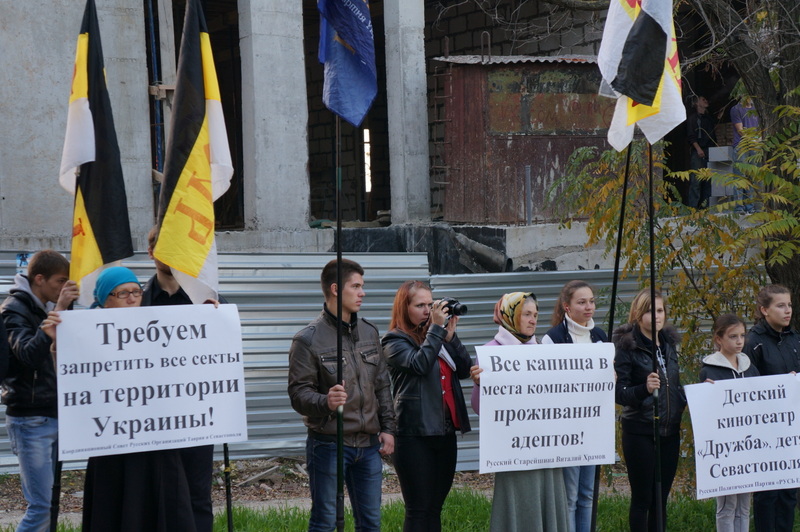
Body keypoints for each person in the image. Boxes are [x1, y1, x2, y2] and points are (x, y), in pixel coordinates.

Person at [42, 266, 198, 532]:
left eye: (136, 292)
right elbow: (73, 385)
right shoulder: (85, 333)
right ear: (105, 300)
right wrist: (59, 344)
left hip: (157, 446)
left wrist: (211, 317)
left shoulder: (159, 329)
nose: (132, 298)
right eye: (122, 293)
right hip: (112, 448)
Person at [287, 258, 396, 532]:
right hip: (328, 444)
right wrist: (325, 401)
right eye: (356, 286)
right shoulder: (307, 340)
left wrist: (388, 428)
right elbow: (298, 394)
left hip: (369, 445)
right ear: (336, 289)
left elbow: (382, 385)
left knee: (371, 524)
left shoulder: (370, 332)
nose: (363, 292)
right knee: (324, 522)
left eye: (363, 286)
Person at [470, 292, 568, 532]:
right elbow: (479, 408)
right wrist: (480, 385)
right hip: (513, 450)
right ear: (510, 315)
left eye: (535, 315)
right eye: (526, 314)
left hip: (546, 447)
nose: (533, 320)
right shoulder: (491, 352)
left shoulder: (544, 353)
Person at [381, 281, 471, 532]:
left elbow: (463, 370)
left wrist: (450, 338)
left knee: (434, 509)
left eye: (430, 305)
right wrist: (437, 330)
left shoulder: (437, 335)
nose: (427, 310)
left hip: (444, 433)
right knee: (418, 510)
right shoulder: (393, 340)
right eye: (420, 305)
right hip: (413, 436)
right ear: (404, 308)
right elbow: (419, 364)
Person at [141, 226, 214, 532]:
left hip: (197, 416)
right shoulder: (137, 302)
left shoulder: (207, 300)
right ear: (151, 253)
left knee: (197, 495)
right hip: (151, 419)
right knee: (155, 495)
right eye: (163, 248)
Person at [0, 249, 78, 532]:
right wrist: (56, 315)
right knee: (41, 508)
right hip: (30, 419)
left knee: (52, 504)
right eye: (60, 281)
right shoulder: (14, 309)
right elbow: (27, 355)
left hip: (54, 412)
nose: (63, 288)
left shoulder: (46, 306)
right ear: (40, 279)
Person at [613, 289, 686, 532]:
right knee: (643, 498)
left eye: (660, 310)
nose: (657, 316)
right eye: (650, 311)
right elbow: (619, 393)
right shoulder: (627, 346)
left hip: (669, 431)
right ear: (637, 313)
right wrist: (644, 389)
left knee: (660, 499)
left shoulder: (668, 344)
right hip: (640, 431)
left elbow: (671, 389)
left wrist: (698, 396)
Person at [541, 280, 607, 532]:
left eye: (591, 301)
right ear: (567, 307)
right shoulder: (553, 338)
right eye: (582, 302)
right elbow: (547, 385)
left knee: (587, 493)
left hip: (593, 425)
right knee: (569, 495)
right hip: (567, 427)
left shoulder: (599, 336)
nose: (588, 306)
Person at [743, 285, 800, 531]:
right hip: (764, 432)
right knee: (768, 494)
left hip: (792, 428)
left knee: (789, 492)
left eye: (789, 305)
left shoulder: (794, 338)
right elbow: (746, 387)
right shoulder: (752, 342)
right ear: (764, 310)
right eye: (780, 306)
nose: (787, 311)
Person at [699, 313, 758, 532]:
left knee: (744, 504)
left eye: (742, 335)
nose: (739, 341)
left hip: (747, 444)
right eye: (733, 336)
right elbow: (703, 409)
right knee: (726, 504)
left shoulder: (749, 368)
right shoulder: (710, 369)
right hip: (724, 448)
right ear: (719, 339)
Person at [685, 94, 717, 208]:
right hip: (698, 151)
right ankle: (693, 207)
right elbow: (691, 136)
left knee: (708, 180)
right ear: (696, 103)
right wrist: (698, 149)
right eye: (703, 99)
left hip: (710, 150)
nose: (706, 101)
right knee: (696, 181)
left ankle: (706, 206)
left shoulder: (709, 118)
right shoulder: (693, 118)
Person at [730, 97, 759, 214]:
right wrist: (755, 140)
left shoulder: (756, 109)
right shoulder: (736, 109)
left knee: (751, 177)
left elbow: (760, 128)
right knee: (739, 176)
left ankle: (750, 207)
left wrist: (758, 141)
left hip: (754, 146)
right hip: (741, 145)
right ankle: (739, 207)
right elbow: (740, 130)